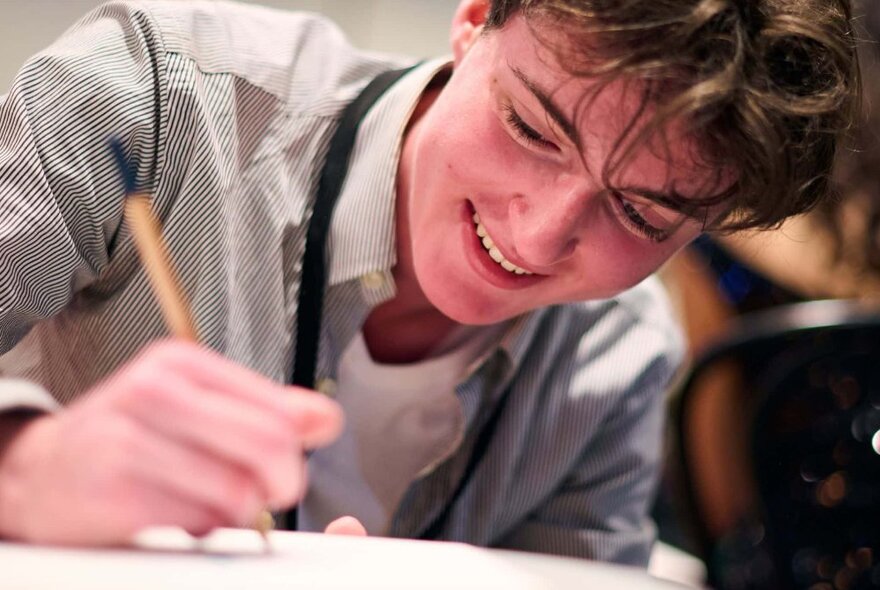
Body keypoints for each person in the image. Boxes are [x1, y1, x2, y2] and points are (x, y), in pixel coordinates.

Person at [0, 0, 858, 567]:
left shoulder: (617, 354)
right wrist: (26, 471)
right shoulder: (149, 101)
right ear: (476, 18)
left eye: (640, 215)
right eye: (531, 126)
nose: (537, 234)